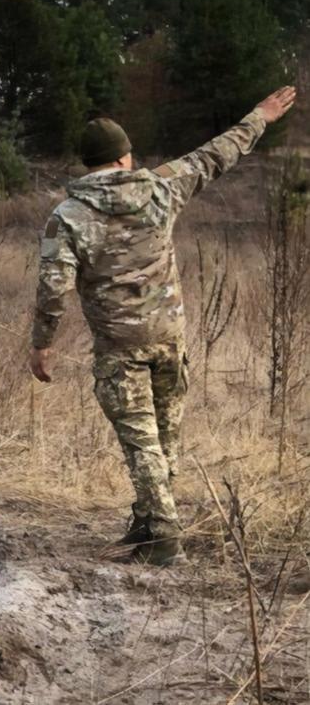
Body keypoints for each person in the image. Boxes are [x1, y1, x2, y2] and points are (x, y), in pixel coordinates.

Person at [28, 86, 297, 565]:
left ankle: (165, 541)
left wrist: (42, 346)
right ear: (125, 157)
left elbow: (54, 286)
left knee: (142, 442)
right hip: (170, 340)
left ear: (89, 163)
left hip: (120, 347)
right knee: (164, 439)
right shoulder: (162, 186)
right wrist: (260, 115)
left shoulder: (67, 216)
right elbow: (218, 152)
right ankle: (150, 523)